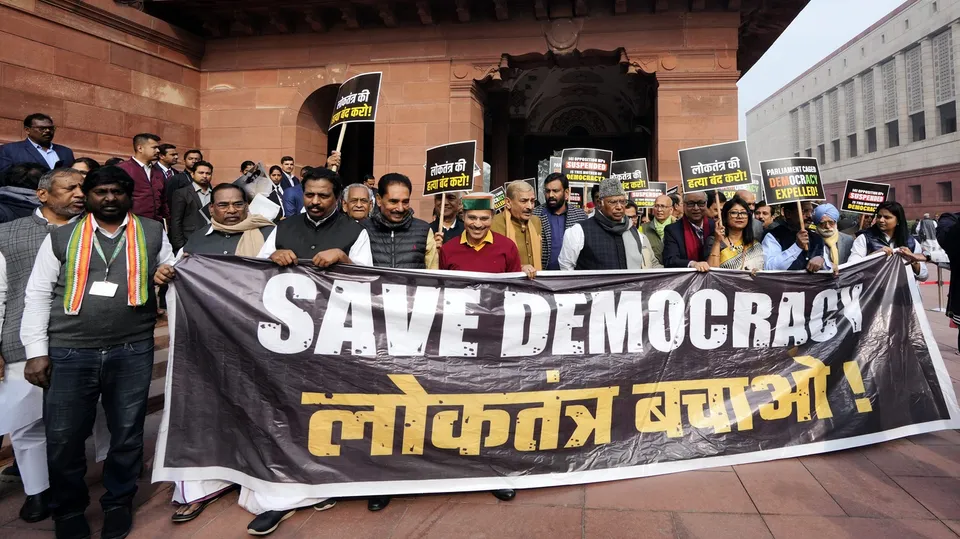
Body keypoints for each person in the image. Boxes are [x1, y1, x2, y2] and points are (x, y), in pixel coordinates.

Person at [20, 166, 175, 539]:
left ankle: (118, 503)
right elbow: (38, 294)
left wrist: (165, 272)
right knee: (64, 437)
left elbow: (172, 268)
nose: (109, 199)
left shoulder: (154, 232)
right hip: (69, 352)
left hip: (131, 349)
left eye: (117, 192)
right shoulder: (61, 237)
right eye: (101, 192)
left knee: (126, 434)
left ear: (128, 195)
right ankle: (69, 510)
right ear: (88, 196)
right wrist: (36, 351)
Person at [167, 183, 274, 524]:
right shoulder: (195, 242)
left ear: (246, 205)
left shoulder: (268, 234)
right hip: (207, 343)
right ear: (211, 209)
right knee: (206, 410)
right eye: (223, 205)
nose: (230, 210)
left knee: (256, 410)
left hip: (255, 342)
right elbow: (178, 279)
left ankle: (259, 483)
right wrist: (167, 275)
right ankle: (203, 486)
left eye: (237, 204)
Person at [0, 168, 85, 525]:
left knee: (79, 421)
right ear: (43, 195)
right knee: (26, 424)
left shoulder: (95, 229)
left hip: (80, 339)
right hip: (20, 341)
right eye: (70, 188)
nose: (79, 193)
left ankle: (76, 484)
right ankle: (37, 492)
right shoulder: (8, 233)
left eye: (82, 187)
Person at [258, 167, 372, 267]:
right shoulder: (283, 227)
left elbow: (365, 281)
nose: (315, 201)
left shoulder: (356, 232)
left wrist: (343, 259)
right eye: (309, 195)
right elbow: (257, 271)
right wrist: (271, 258)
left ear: (337, 199)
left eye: (323, 196)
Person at [558, 178, 659, 271]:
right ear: (599, 203)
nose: (619, 207)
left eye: (622, 201)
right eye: (613, 202)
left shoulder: (634, 232)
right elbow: (566, 268)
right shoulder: (579, 231)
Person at [439, 193, 526, 281]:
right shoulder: (447, 250)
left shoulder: (508, 247)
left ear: (492, 218)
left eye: (484, 219)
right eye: (472, 218)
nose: (478, 224)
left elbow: (515, 287)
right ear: (463, 217)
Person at [362, 173, 438, 273]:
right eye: (393, 201)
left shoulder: (424, 231)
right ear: (379, 200)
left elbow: (433, 276)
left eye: (405, 202)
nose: (400, 208)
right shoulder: (362, 229)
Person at [849, 201, 928, 281]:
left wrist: (913, 261)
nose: (881, 220)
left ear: (898, 220)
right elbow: (852, 268)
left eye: (887, 217)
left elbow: (923, 276)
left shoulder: (911, 242)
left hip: (903, 291)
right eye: (879, 216)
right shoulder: (864, 238)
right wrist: (873, 257)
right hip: (873, 290)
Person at [532, 173, 588, 271]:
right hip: (542, 277)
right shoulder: (534, 215)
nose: (551, 195)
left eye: (555, 191)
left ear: (566, 193)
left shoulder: (581, 216)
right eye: (547, 191)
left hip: (571, 277)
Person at [0, 113, 75, 175]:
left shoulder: (66, 152)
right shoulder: (9, 150)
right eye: (42, 128)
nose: (48, 131)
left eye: (51, 128)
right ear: (27, 130)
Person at [491, 181, 542, 271]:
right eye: (524, 201)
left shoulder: (536, 221)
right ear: (508, 202)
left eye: (532, 201)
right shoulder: (493, 224)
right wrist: (519, 268)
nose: (530, 206)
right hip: (507, 282)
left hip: (535, 282)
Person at [116, 133, 167, 222]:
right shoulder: (122, 169)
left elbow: (163, 200)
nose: (158, 150)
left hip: (155, 224)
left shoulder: (158, 173)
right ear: (140, 148)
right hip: (131, 224)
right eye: (154, 147)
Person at [762, 202, 825, 272]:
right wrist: (797, 247)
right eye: (804, 211)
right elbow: (770, 268)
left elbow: (829, 267)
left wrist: (822, 260)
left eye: (812, 211)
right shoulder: (773, 236)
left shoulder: (816, 238)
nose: (810, 215)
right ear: (788, 214)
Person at [707, 196, 765, 271]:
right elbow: (712, 272)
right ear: (725, 216)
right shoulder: (713, 241)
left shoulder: (754, 244)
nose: (739, 216)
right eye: (734, 213)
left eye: (743, 213)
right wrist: (717, 242)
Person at [662, 191, 714, 271]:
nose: (696, 208)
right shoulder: (672, 230)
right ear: (684, 205)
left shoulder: (715, 226)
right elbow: (670, 260)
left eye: (700, 203)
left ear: (706, 204)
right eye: (691, 204)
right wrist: (693, 264)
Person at [169, 160, 214, 253]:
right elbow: (176, 220)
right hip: (189, 240)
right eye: (201, 173)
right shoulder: (181, 193)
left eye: (208, 173)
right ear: (192, 174)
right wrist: (180, 246)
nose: (205, 176)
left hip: (212, 240)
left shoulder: (215, 194)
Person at [812, 203, 853, 274]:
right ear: (817, 224)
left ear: (836, 222)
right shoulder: (810, 240)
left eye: (831, 222)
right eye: (823, 223)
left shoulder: (848, 240)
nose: (827, 226)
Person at [641, 194, 674, 266]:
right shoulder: (643, 228)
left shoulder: (679, 227)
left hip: (676, 273)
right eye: (656, 206)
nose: (659, 210)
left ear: (671, 210)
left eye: (663, 206)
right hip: (653, 273)